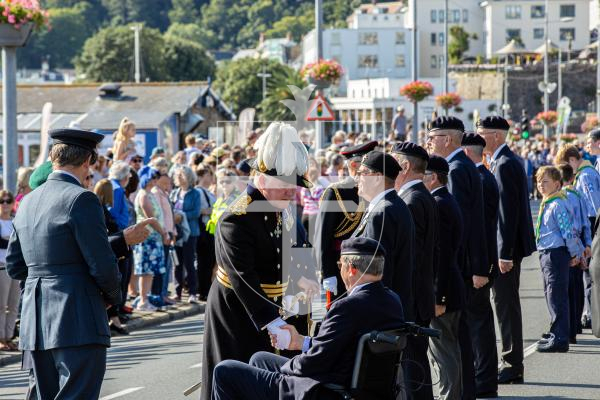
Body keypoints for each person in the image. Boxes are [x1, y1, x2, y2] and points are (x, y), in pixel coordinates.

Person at [200, 122, 320, 400]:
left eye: (295, 186)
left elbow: (297, 248)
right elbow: (243, 277)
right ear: (263, 181)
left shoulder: (283, 209)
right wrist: (273, 322)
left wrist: (305, 276)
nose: (293, 193)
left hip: (278, 309)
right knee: (238, 381)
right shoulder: (236, 218)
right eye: (285, 187)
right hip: (239, 313)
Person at [211, 237, 405, 400]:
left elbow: (313, 364)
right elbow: (340, 345)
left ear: (351, 269)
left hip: (326, 391)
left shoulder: (347, 307)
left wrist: (284, 369)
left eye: (340, 265)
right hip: (358, 386)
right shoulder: (393, 301)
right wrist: (301, 342)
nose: (340, 270)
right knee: (259, 358)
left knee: (224, 371)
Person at [6, 128, 122, 399]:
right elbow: (101, 263)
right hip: (77, 314)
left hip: (36, 319)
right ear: (87, 162)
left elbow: (15, 264)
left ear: (52, 158)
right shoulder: (82, 198)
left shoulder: (27, 201)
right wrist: (112, 296)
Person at [426, 116, 488, 400]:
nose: (428, 142)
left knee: (455, 337)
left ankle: (461, 392)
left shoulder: (456, 168)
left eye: (432, 137)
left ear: (447, 140)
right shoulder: (462, 165)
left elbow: (461, 226)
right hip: (462, 265)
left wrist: (475, 266)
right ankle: (466, 391)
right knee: (460, 335)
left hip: (458, 267)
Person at [478, 117, 536, 384]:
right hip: (506, 247)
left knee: (506, 305)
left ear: (497, 137)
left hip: (506, 250)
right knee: (503, 304)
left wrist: (505, 253)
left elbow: (506, 214)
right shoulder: (502, 162)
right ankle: (511, 362)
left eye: (482, 134)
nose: (479, 140)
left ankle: (512, 363)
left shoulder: (504, 164)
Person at [392, 142, 437, 400]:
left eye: (395, 163)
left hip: (410, 299)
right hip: (420, 296)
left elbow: (411, 258)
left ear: (406, 166)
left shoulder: (410, 201)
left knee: (411, 370)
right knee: (415, 366)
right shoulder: (422, 196)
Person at [352, 150, 415, 321]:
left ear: (378, 177)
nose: (357, 178)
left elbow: (375, 272)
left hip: (380, 311)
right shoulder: (389, 206)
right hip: (391, 306)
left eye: (363, 173)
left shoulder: (382, 212)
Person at [423, 156, 466, 400]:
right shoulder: (444, 200)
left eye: (425, 175)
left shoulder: (438, 204)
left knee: (444, 350)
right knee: (448, 348)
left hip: (444, 291)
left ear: (435, 177)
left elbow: (442, 255)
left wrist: (438, 296)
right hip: (450, 287)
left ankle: (450, 396)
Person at [461, 132, 500, 397]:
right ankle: (484, 377)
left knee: (478, 323)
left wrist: (479, 267)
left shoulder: (479, 178)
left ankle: (484, 379)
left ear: (466, 153)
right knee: (480, 321)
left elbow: (479, 229)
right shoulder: (484, 175)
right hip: (483, 260)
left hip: (480, 262)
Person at [314, 141, 376, 301]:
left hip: (365, 265)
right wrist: (326, 272)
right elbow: (322, 236)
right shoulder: (335, 192)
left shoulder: (371, 191)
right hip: (339, 266)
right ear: (354, 166)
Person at [534, 166, 584, 352]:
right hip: (547, 253)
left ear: (557, 183)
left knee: (557, 295)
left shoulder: (558, 204)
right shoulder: (548, 202)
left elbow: (568, 232)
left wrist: (574, 254)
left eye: (545, 181)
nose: (541, 185)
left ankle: (561, 337)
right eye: (538, 182)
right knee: (550, 293)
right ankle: (556, 331)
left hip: (556, 253)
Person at [554, 144, 600, 331]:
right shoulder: (583, 174)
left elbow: (595, 206)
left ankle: (589, 315)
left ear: (572, 161)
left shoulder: (586, 175)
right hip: (588, 225)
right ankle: (587, 314)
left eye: (566, 165)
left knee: (588, 275)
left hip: (591, 225)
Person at [557, 163, 591, 344]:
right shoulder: (578, 195)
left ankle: (568, 330)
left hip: (567, 247)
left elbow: (568, 225)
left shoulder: (563, 197)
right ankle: (575, 326)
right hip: (578, 243)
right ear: (571, 178)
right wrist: (586, 244)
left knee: (565, 290)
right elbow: (585, 221)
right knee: (576, 288)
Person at [133, 166, 168, 311]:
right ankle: (143, 300)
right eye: (153, 177)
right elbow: (151, 219)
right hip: (147, 239)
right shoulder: (143, 195)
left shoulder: (149, 194)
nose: (155, 180)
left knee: (150, 272)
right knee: (146, 271)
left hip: (153, 239)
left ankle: (145, 299)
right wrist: (163, 233)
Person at [170, 165, 201, 303]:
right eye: (178, 175)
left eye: (182, 175)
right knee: (177, 263)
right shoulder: (174, 193)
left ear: (189, 177)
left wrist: (182, 216)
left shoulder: (195, 194)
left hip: (190, 232)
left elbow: (196, 212)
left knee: (189, 262)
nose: (179, 177)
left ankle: (192, 292)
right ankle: (177, 292)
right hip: (177, 232)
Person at [0, 189, 18, 351]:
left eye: (8, 201)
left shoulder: (15, 221)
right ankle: (1, 338)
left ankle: (9, 336)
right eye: (2, 201)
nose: (5, 204)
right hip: (1, 267)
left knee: (13, 304)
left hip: (14, 266)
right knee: (1, 304)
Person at [195, 164, 217, 301]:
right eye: (209, 175)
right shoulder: (198, 191)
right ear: (202, 176)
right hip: (204, 230)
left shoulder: (208, 192)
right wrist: (212, 210)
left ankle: (206, 288)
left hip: (211, 230)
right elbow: (199, 210)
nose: (211, 178)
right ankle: (203, 290)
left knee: (210, 261)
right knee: (204, 261)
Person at [108, 161, 131, 231]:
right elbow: (114, 213)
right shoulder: (118, 189)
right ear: (125, 177)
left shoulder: (109, 184)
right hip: (117, 230)